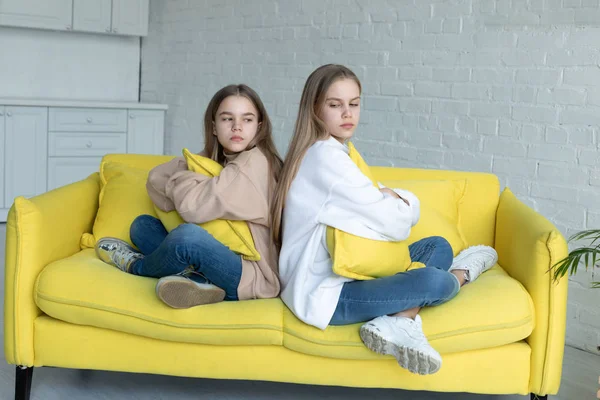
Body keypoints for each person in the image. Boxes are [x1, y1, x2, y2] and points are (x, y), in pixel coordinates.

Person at [271, 64, 498, 375]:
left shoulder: (337, 151)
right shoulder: (326, 158)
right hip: (328, 293)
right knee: (436, 280)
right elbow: (395, 223)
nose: (347, 113)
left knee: (436, 245)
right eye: (335, 105)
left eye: (354, 103)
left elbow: (381, 211)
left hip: (351, 267)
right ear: (315, 109)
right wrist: (398, 200)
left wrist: (387, 201)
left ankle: (401, 319)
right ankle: (462, 273)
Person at [95, 84, 284, 309]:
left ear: (259, 127)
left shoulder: (255, 162)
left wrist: (188, 181)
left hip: (248, 275)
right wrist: (200, 171)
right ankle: (199, 280)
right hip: (221, 256)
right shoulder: (215, 161)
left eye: (247, 119)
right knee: (142, 226)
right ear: (214, 126)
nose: (237, 127)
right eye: (227, 119)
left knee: (188, 237)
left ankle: (137, 266)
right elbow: (155, 180)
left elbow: (192, 208)